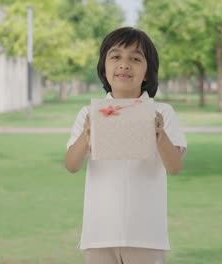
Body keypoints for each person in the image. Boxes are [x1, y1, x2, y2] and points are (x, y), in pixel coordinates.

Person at [65, 27, 187, 264]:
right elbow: (71, 165)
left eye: (135, 58)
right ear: (104, 68)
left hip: (146, 235)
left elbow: (174, 167)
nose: (124, 64)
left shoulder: (162, 112)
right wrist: (87, 135)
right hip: (99, 233)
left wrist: (160, 136)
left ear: (147, 73)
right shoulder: (89, 113)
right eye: (116, 56)